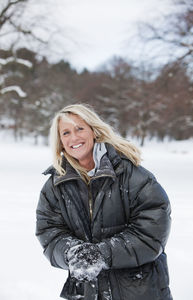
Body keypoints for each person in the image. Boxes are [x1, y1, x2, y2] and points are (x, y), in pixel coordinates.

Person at [35, 104, 173, 300]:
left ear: (93, 130)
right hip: (88, 292)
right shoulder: (55, 185)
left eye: (79, 128)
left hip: (139, 290)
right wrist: (72, 253)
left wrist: (101, 254)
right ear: (60, 142)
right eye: (66, 133)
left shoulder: (131, 174)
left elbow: (151, 232)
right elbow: (49, 231)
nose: (73, 137)